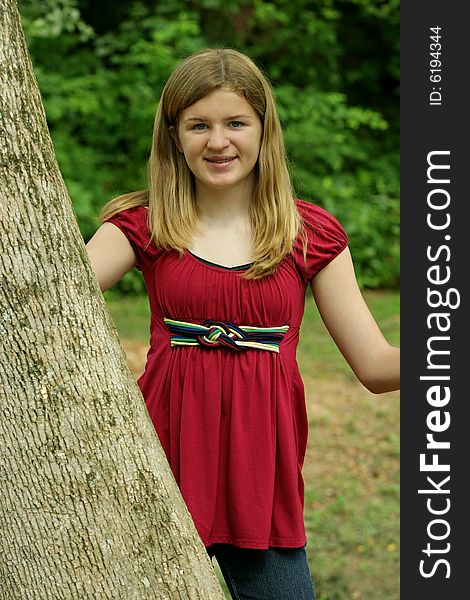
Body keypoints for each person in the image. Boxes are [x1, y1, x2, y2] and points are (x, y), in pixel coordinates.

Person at [86, 47, 400, 600]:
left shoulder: (310, 235)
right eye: (198, 125)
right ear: (173, 135)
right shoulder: (142, 225)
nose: (218, 141)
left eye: (236, 122)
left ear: (263, 129)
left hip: (263, 490)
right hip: (158, 478)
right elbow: (45, 299)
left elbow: (376, 367)